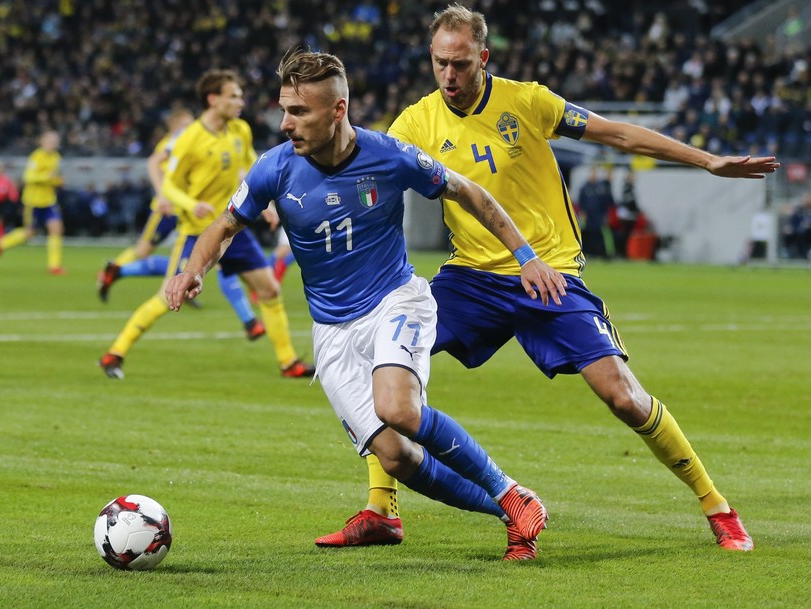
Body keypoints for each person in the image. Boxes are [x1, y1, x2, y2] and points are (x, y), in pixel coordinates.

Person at [318, 4, 779, 553]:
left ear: (483, 58)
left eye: (461, 64)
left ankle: (717, 506)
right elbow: (369, 177)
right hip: (472, 279)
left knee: (624, 398)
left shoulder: (528, 101)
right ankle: (381, 510)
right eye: (440, 63)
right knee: (378, 366)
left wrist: (707, 162)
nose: (449, 76)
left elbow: (619, 135)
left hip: (549, 273)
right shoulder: (416, 121)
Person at [165, 49, 568, 560]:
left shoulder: (390, 155)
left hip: (394, 301)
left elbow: (469, 192)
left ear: (337, 111)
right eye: (284, 109)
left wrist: (526, 255)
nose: (286, 124)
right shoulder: (274, 168)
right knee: (396, 457)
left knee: (397, 407)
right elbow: (225, 226)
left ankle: (508, 489)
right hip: (331, 329)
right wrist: (192, 270)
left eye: (299, 112)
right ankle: (514, 508)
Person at [99, 69, 312, 379]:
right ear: (213, 99)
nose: (241, 101)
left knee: (269, 289)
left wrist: (265, 203)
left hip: (232, 227)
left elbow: (250, 166)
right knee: (167, 296)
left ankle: (288, 362)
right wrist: (189, 204)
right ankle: (114, 354)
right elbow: (170, 185)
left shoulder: (239, 130)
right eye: (233, 96)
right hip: (197, 234)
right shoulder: (188, 140)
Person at [96, 106, 264, 339]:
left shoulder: (203, 137)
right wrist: (162, 194)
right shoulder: (176, 140)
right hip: (170, 208)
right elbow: (154, 163)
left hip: (192, 208)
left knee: (212, 259)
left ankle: (248, 320)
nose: (191, 125)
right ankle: (115, 270)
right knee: (147, 252)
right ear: (174, 125)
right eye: (185, 122)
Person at [0, 130, 66, 274]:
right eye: (50, 141)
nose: (53, 144)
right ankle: (2, 243)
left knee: (56, 229)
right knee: (29, 233)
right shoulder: (36, 156)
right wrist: (47, 177)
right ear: (42, 141)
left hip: (49, 200)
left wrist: (58, 181)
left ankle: (54, 266)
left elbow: (54, 177)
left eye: (55, 142)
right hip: (33, 201)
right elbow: (28, 177)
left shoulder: (56, 158)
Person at [576, 166, 615, 259]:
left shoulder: (601, 187)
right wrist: (582, 212)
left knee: (600, 234)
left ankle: (603, 253)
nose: (594, 176)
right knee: (589, 234)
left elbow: (607, 201)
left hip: (599, 215)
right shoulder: (585, 188)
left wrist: (606, 213)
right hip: (588, 215)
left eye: (595, 174)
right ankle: (588, 253)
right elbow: (581, 201)